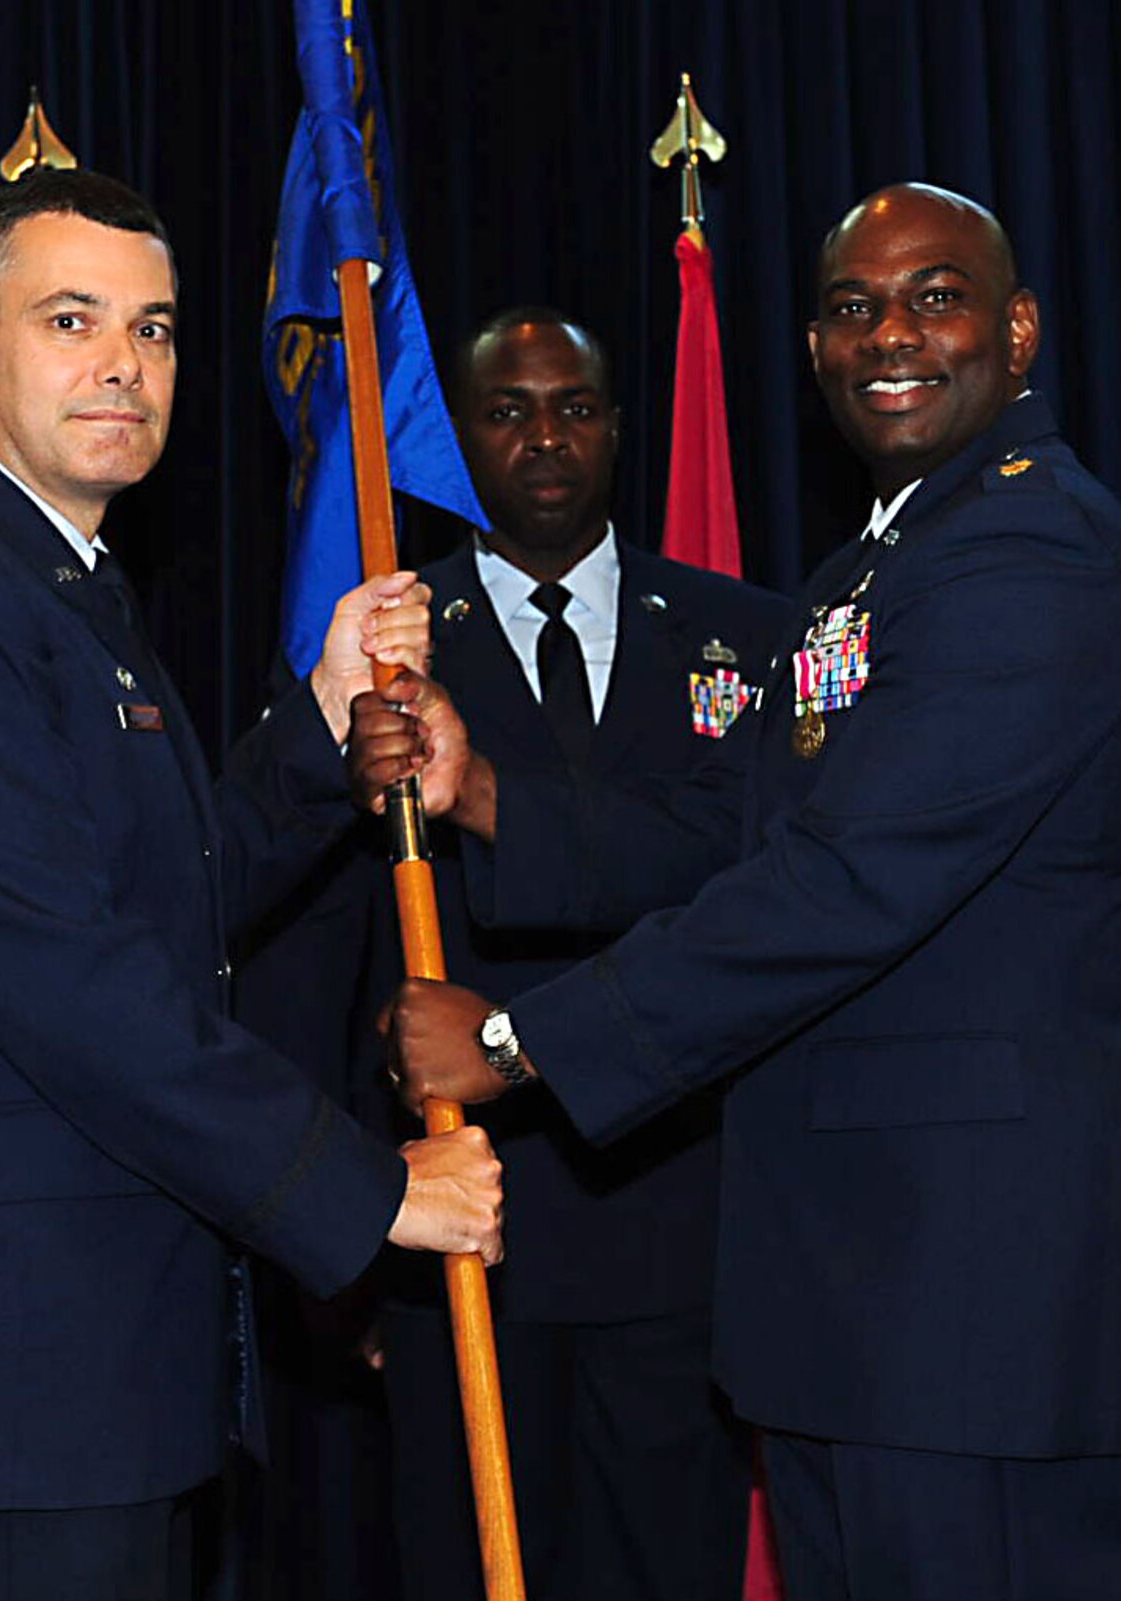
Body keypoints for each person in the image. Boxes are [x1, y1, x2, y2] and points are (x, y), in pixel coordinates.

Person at [382, 185, 1121, 1600]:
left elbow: (844, 885)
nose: (889, 333)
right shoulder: (877, 568)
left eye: (934, 297)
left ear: (1017, 334)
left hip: (978, 1326)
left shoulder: (1033, 556)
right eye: (850, 308)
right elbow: (751, 841)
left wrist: (519, 1045)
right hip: (865, 1320)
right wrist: (484, 796)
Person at [0, 167, 502, 1599]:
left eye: (158, 329)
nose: (124, 363)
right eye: (71, 319)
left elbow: (161, 895)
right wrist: (368, 1192)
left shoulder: (55, 587)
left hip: (93, 1373)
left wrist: (318, 722)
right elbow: (74, 988)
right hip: (6, 1395)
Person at [348, 309, 787, 1600]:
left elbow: (749, 889)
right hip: (463, 1235)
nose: (544, 437)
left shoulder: (745, 638)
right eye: (506, 411)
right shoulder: (382, 644)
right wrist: (341, 1223)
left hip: (677, 1227)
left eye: (574, 407)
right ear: (460, 437)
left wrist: (482, 792)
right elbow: (326, 950)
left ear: (616, 427)